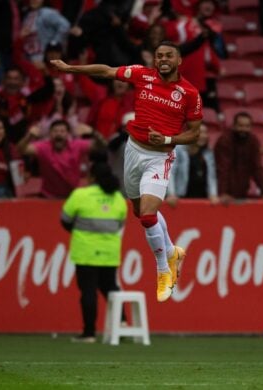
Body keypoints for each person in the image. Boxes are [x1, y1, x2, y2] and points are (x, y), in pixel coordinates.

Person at [51, 41, 203, 302]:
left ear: (179, 61)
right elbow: (106, 71)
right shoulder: (143, 75)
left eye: (169, 56)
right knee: (139, 212)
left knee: (147, 215)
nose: (163, 59)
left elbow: (194, 134)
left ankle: (164, 270)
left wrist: (167, 141)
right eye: (159, 56)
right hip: (132, 152)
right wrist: (70, 69)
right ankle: (171, 251)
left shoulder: (189, 93)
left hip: (160, 157)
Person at [61, 161, 128, 343]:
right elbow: (120, 223)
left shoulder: (81, 195)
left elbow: (65, 220)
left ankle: (89, 333)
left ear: (91, 177)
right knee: (110, 288)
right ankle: (121, 323)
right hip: (110, 252)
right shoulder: (118, 198)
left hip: (86, 251)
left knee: (88, 291)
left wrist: (78, 230)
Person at [17, 119, 106, 199]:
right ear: (50, 134)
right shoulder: (43, 147)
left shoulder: (78, 145)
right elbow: (21, 150)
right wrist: (29, 136)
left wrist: (93, 132)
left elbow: (102, 146)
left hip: (72, 196)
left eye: (62, 131)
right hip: (48, 197)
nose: (58, 134)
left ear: (68, 134)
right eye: (55, 131)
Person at [214, 112, 263, 202]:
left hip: (242, 190)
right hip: (223, 194)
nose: (244, 129)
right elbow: (223, 169)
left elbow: (257, 167)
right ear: (234, 126)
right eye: (240, 125)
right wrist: (222, 193)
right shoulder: (224, 141)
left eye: (247, 126)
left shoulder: (253, 141)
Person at [167, 123, 219, 205]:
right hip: (181, 198)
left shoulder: (208, 153)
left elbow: (211, 176)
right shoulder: (178, 150)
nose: (203, 136)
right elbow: (171, 172)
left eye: (205, 133)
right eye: (200, 132)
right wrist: (171, 193)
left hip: (203, 198)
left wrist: (213, 194)